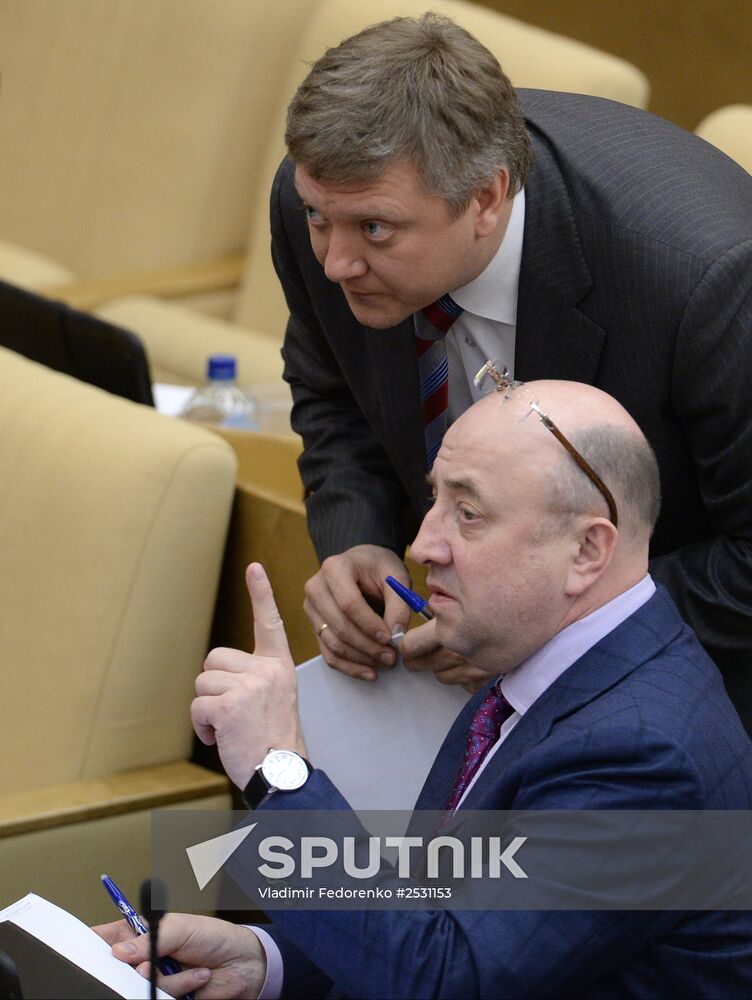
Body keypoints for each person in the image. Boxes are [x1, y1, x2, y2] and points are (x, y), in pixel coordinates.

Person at [97, 381, 752, 998]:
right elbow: (443, 926)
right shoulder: (538, 669)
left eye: (466, 513)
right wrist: (265, 963)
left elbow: (442, 980)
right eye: (434, 500)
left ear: (586, 552)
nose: (421, 544)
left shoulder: (643, 757)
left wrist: (277, 770)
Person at [272, 13, 752, 724]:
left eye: (375, 229)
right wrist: (356, 534)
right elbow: (332, 387)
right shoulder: (322, 199)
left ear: (487, 199)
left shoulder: (703, 282)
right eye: (319, 219)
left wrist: (549, 631)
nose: (336, 261)